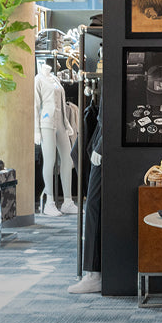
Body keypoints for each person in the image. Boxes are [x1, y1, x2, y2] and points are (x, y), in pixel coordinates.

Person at [68, 95, 103, 294]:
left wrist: (101, 144)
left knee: (93, 205)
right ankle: (93, 272)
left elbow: (114, 105)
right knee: (93, 205)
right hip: (102, 133)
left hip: (105, 136)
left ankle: (93, 274)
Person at [34, 62, 77, 217]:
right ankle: (49, 202)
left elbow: (62, 104)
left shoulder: (55, 79)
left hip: (60, 123)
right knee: (50, 160)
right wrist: (36, 130)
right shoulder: (38, 79)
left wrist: (67, 124)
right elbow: (35, 105)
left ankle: (67, 202)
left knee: (68, 159)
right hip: (46, 122)